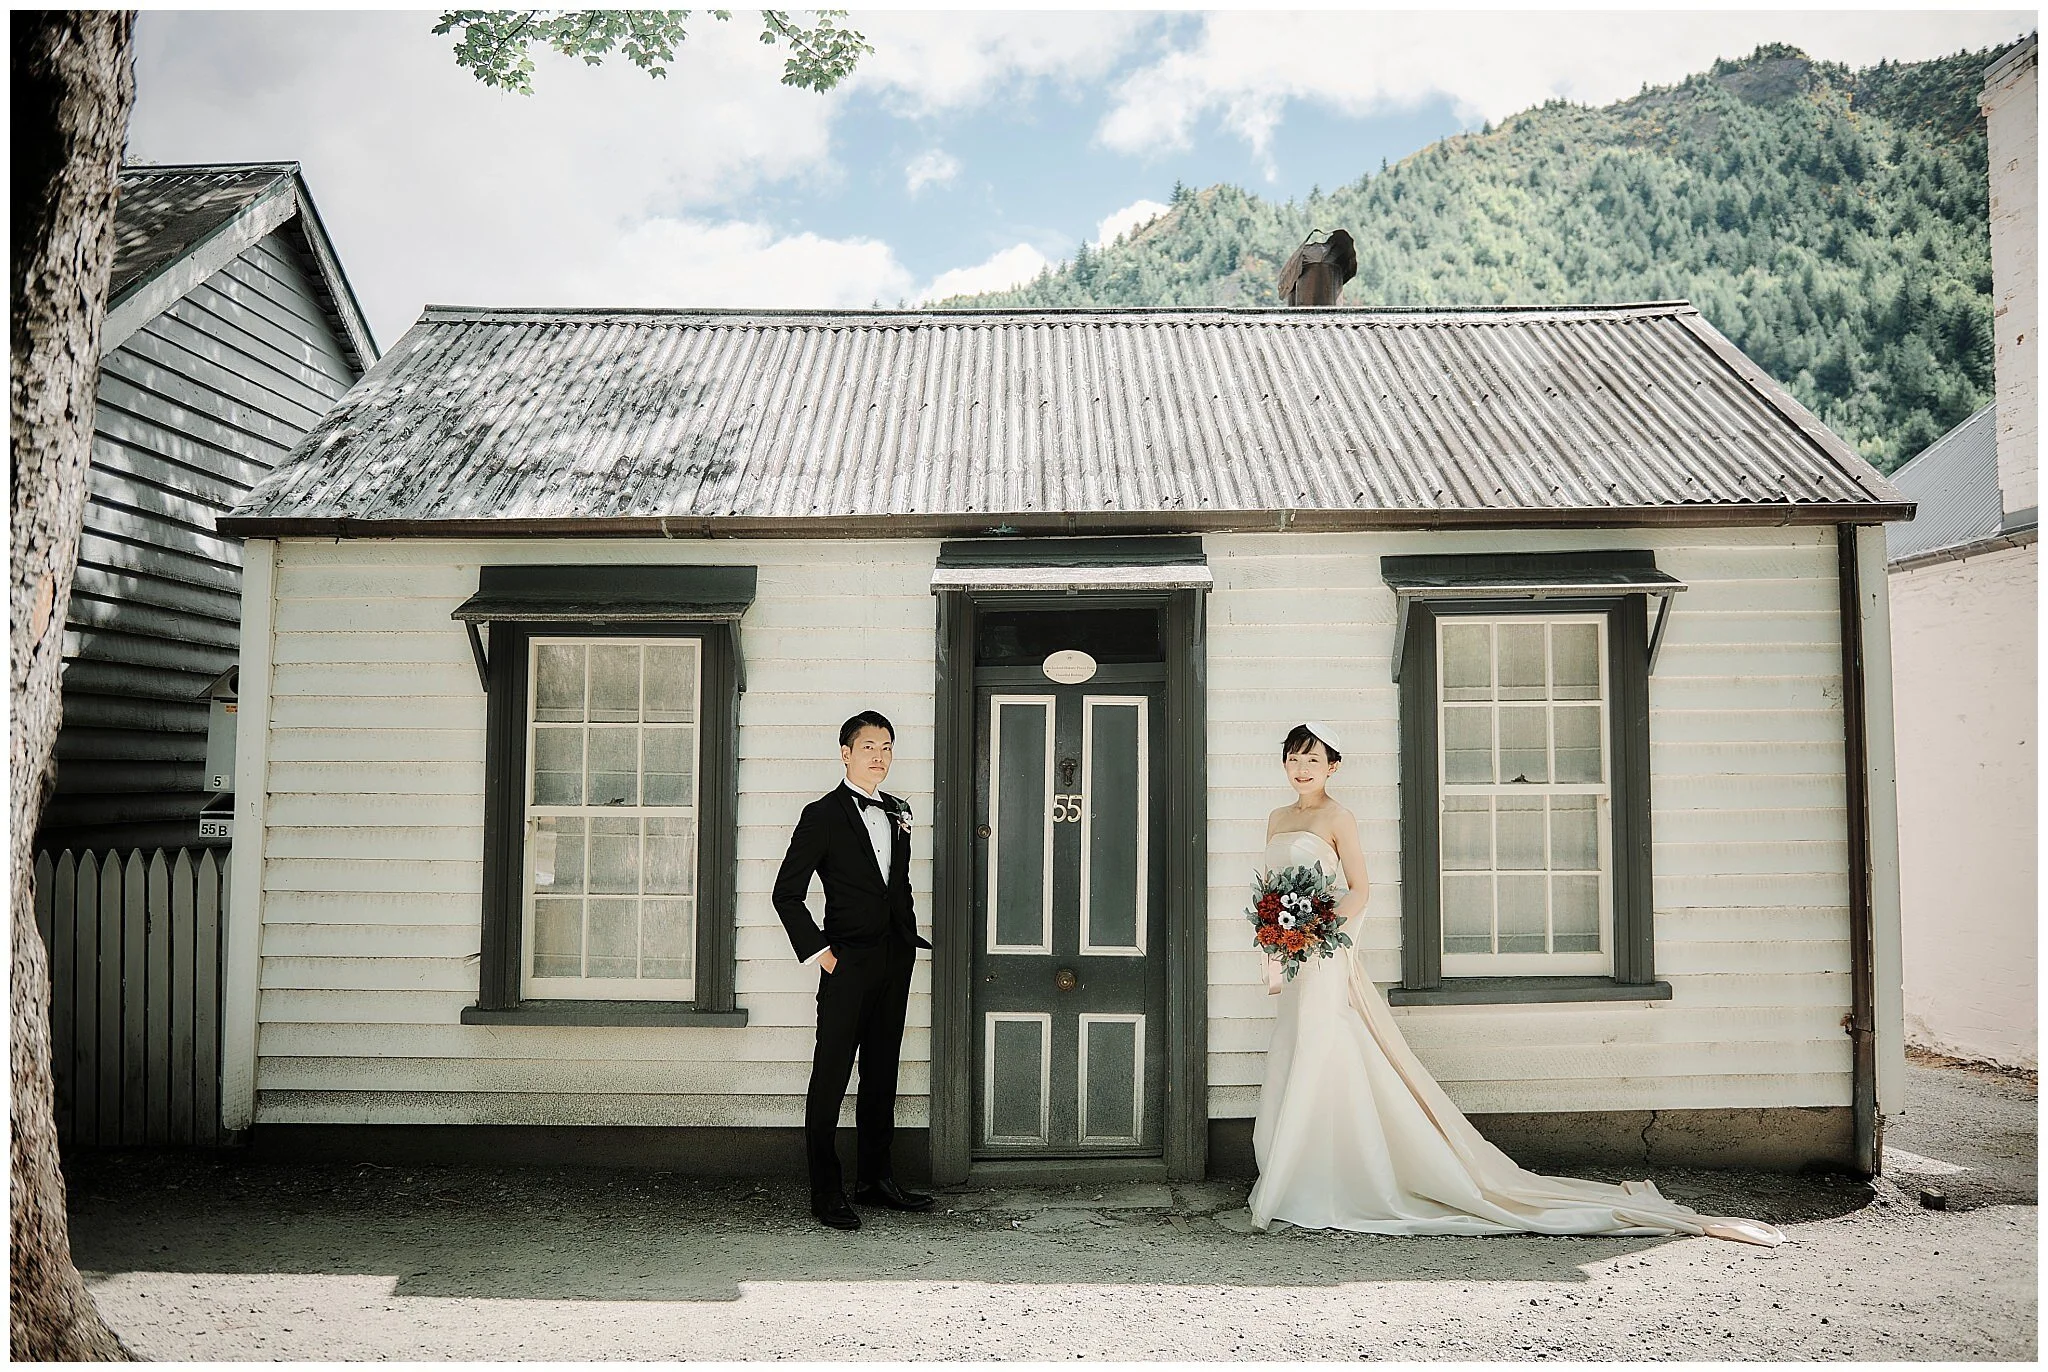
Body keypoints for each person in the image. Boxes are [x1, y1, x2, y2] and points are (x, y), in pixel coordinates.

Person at [1249, 722, 1785, 1247]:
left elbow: (1360, 891)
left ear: (1333, 766)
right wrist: (1278, 930)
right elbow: (1274, 888)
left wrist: (1317, 929)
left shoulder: (1340, 817)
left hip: (1323, 953)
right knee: (1297, 1047)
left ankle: (1336, 1176)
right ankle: (1297, 1170)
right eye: (1294, 758)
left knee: (1326, 1047)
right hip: (1293, 960)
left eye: (1313, 759)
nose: (1302, 769)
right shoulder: (1276, 818)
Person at [773, 710, 936, 1230]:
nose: (880, 756)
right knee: (831, 1075)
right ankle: (826, 1191)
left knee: (882, 1070)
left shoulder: (899, 810)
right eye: (869, 747)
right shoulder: (822, 814)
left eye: (887, 747)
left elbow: (897, 885)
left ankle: (875, 1178)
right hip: (845, 963)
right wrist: (821, 953)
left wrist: (907, 941)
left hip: (894, 959)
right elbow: (787, 894)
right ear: (846, 753)